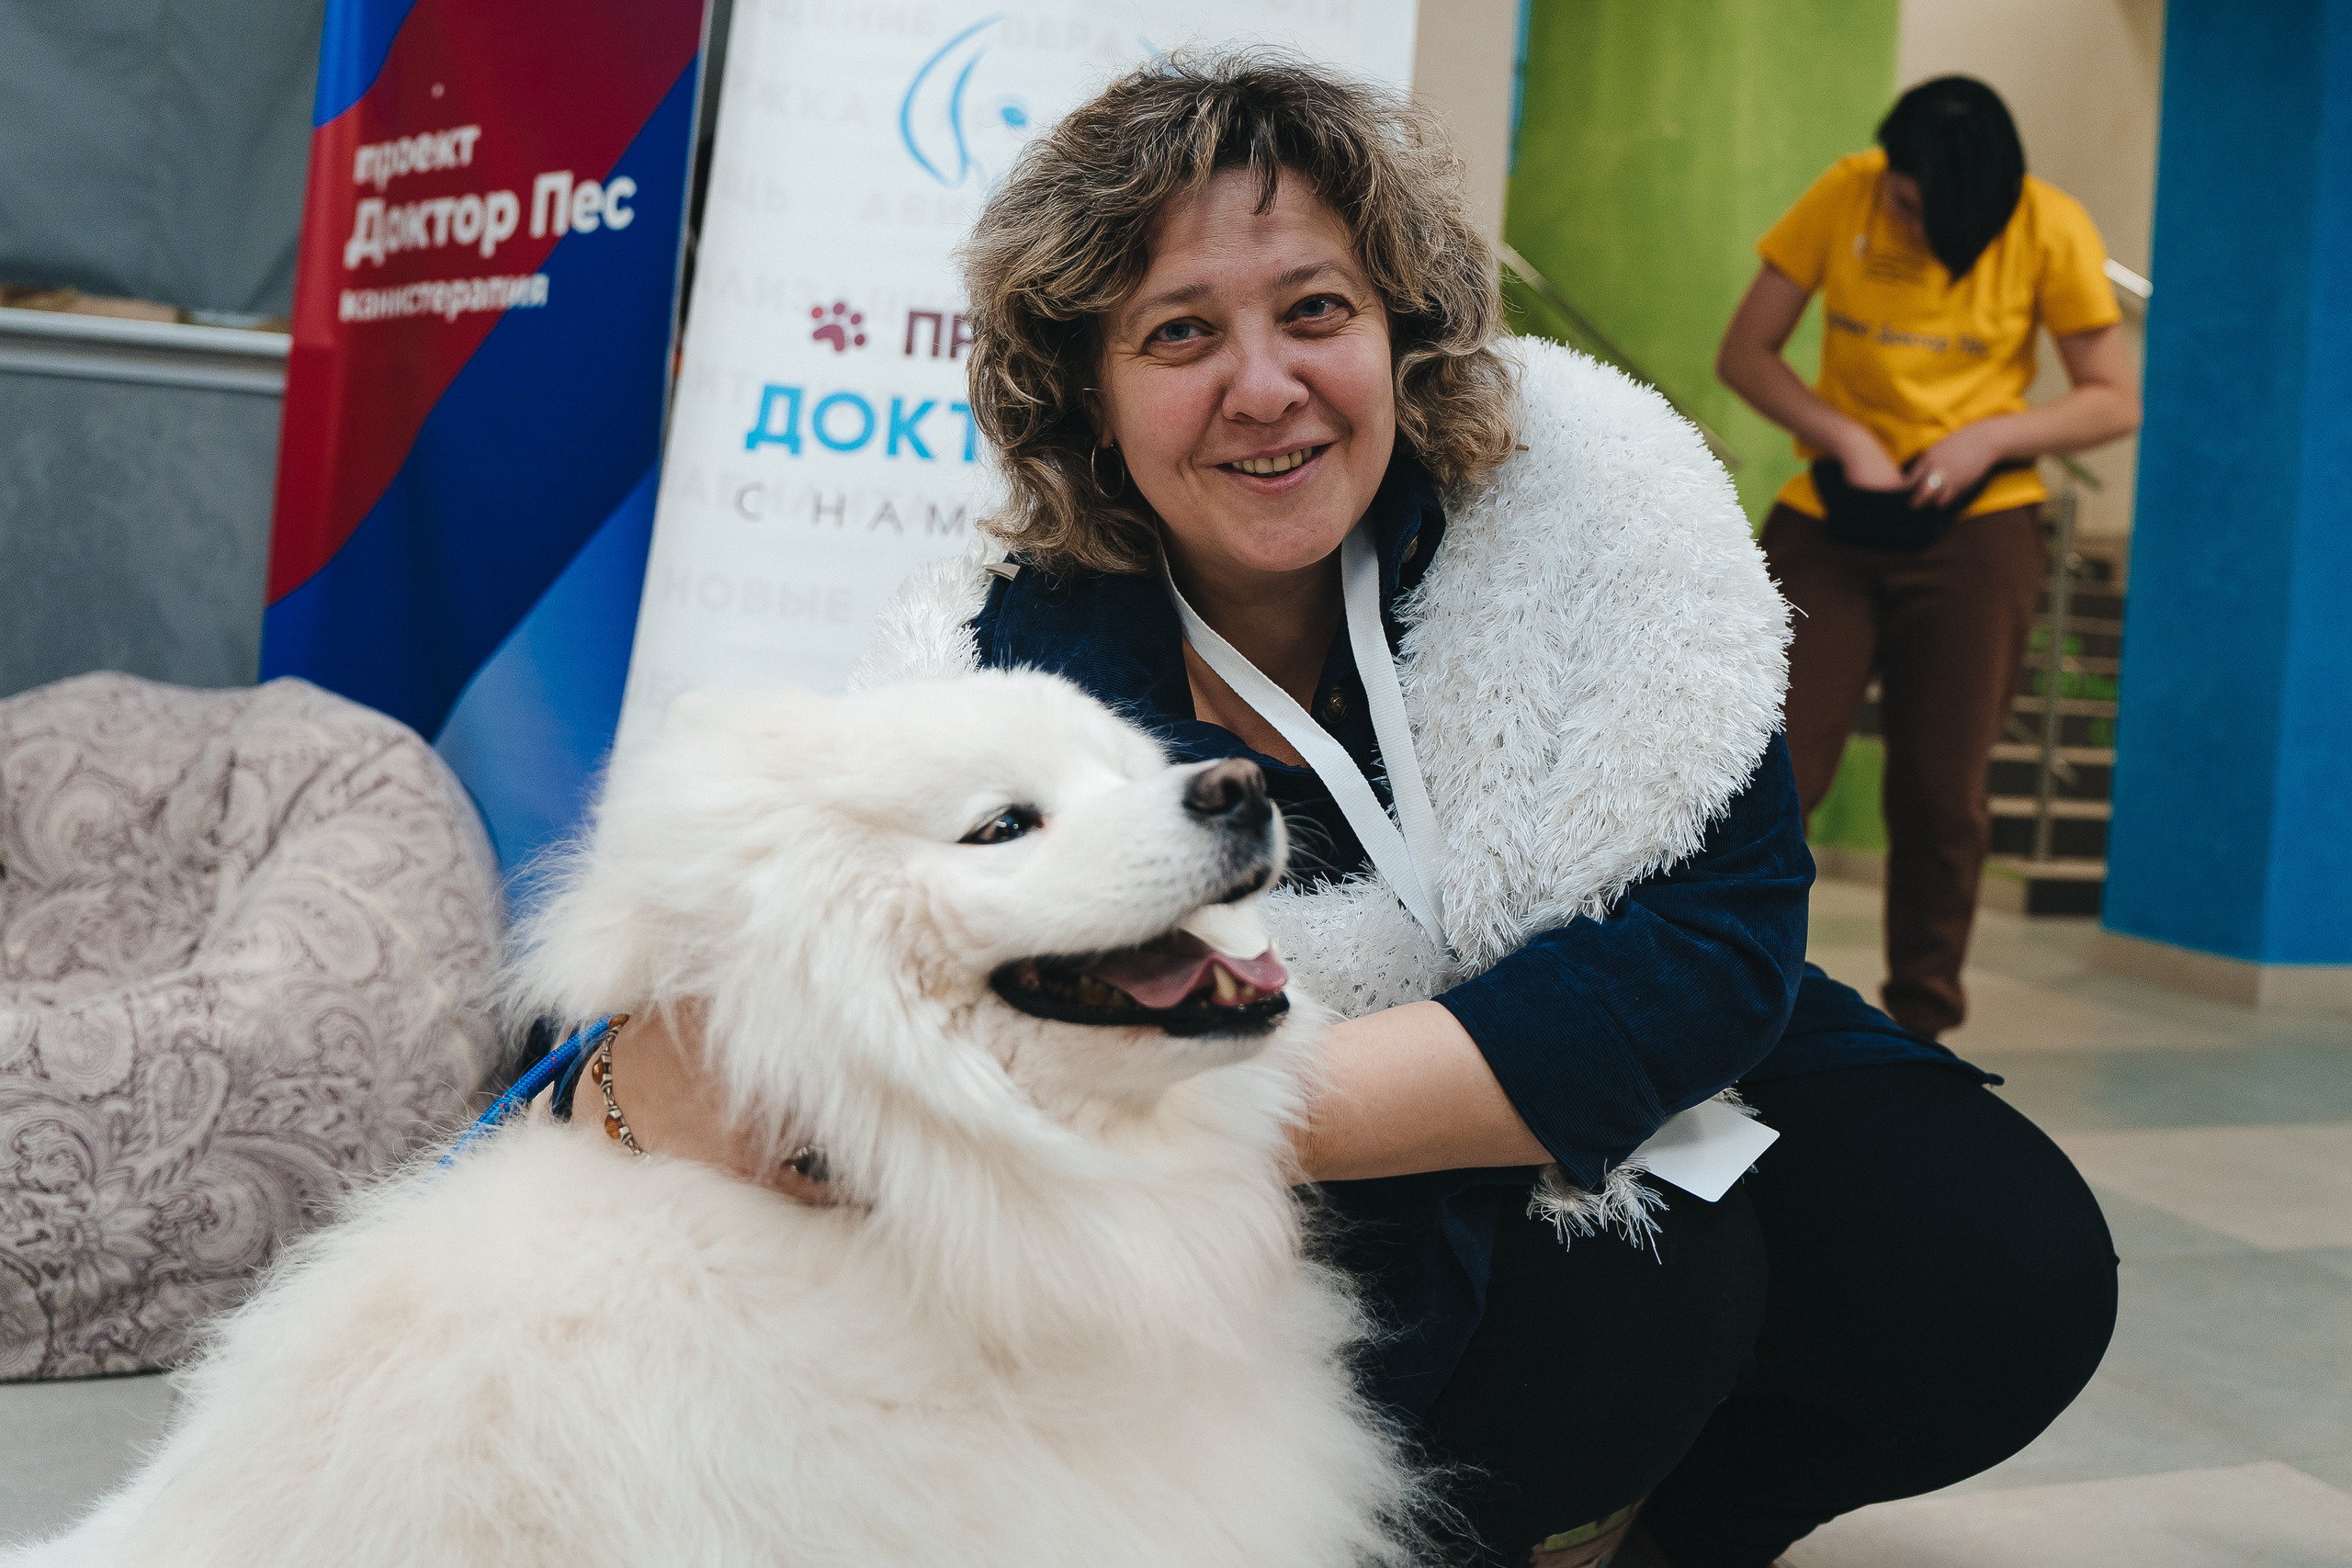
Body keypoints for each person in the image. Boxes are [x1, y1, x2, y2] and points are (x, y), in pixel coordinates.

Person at [573, 56, 2118, 1568]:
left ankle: (1686, 1529)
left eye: (1317, 310)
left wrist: (1153, 1106)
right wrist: (669, 1085)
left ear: (1404, 332)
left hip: (1278, 1078)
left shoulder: (1598, 514)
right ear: (1089, 391)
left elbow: (1712, 939)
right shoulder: (999, 663)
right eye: (1181, 332)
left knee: (2000, 1264)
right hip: (1258, 1134)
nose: (1267, 387)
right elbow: (787, 968)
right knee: (1639, 1300)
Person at [1715, 76, 2142, 1039]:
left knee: (1941, 797)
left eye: (1925, 207)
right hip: (1828, 520)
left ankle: (1921, 1027)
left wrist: (1991, 437)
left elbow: (2114, 396)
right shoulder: (1846, 192)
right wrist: (1846, 437)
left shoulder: (2049, 227)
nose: (1906, 217)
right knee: (1764, 772)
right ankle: (1726, 999)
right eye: (1900, 199)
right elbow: (1746, 353)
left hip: (1978, 529)